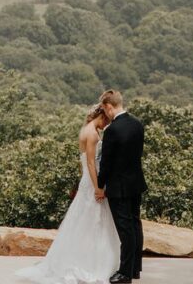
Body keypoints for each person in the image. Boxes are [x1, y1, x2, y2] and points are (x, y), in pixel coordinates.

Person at [13, 104, 121, 284]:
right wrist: (98, 188)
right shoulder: (93, 134)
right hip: (92, 181)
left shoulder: (84, 130)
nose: (106, 125)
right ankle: (93, 263)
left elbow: (84, 163)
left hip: (86, 180)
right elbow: (91, 163)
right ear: (101, 116)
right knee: (95, 221)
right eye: (107, 121)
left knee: (83, 221)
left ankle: (81, 258)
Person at [95, 89, 147, 284]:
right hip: (136, 182)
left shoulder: (112, 130)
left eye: (104, 109)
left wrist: (100, 185)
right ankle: (135, 268)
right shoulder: (137, 124)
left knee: (125, 229)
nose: (105, 114)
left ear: (109, 107)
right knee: (135, 224)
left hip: (119, 186)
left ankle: (124, 272)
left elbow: (107, 163)